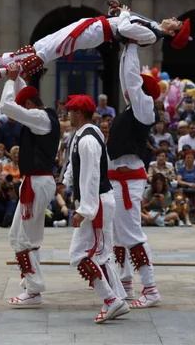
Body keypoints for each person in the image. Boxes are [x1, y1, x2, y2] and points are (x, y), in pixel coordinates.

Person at [0, 3, 190, 83]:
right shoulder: (152, 25)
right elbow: (124, 22)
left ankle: (3, 73)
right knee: (43, 44)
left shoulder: (153, 34)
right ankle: (0, 61)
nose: (173, 18)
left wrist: (123, 14)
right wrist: (117, 12)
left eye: (176, 23)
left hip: (98, 31)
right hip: (97, 25)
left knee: (50, 50)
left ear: (173, 33)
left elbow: (124, 28)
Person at [63, 94, 129, 323]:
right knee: (101, 254)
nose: (67, 114)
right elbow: (76, 165)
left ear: (79, 113)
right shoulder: (85, 135)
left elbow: (91, 177)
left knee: (79, 254)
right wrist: (66, 180)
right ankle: (118, 296)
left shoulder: (88, 140)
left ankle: (111, 300)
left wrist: (85, 210)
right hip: (100, 200)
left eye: (70, 110)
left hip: (96, 202)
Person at [0, 64, 60, 306]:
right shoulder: (42, 115)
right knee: (17, 236)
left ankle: (34, 290)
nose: (20, 115)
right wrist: (19, 78)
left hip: (37, 182)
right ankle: (30, 280)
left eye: (23, 109)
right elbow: (22, 98)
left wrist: (9, 80)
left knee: (25, 239)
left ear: (29, 106)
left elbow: (6, 106)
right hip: (34, 182)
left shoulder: (40, 117)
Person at [106, 44, 161, 308]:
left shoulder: (144, 109)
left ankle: (150, 289)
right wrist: (124, 48)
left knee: (132, 235)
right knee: (118, 236)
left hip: (128, 181)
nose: (129, 86)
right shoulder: (132, 110)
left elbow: (129, 76)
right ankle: (125, 282)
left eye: (136, 85)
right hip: (118, 179)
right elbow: (124, 75)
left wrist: (132, 44)